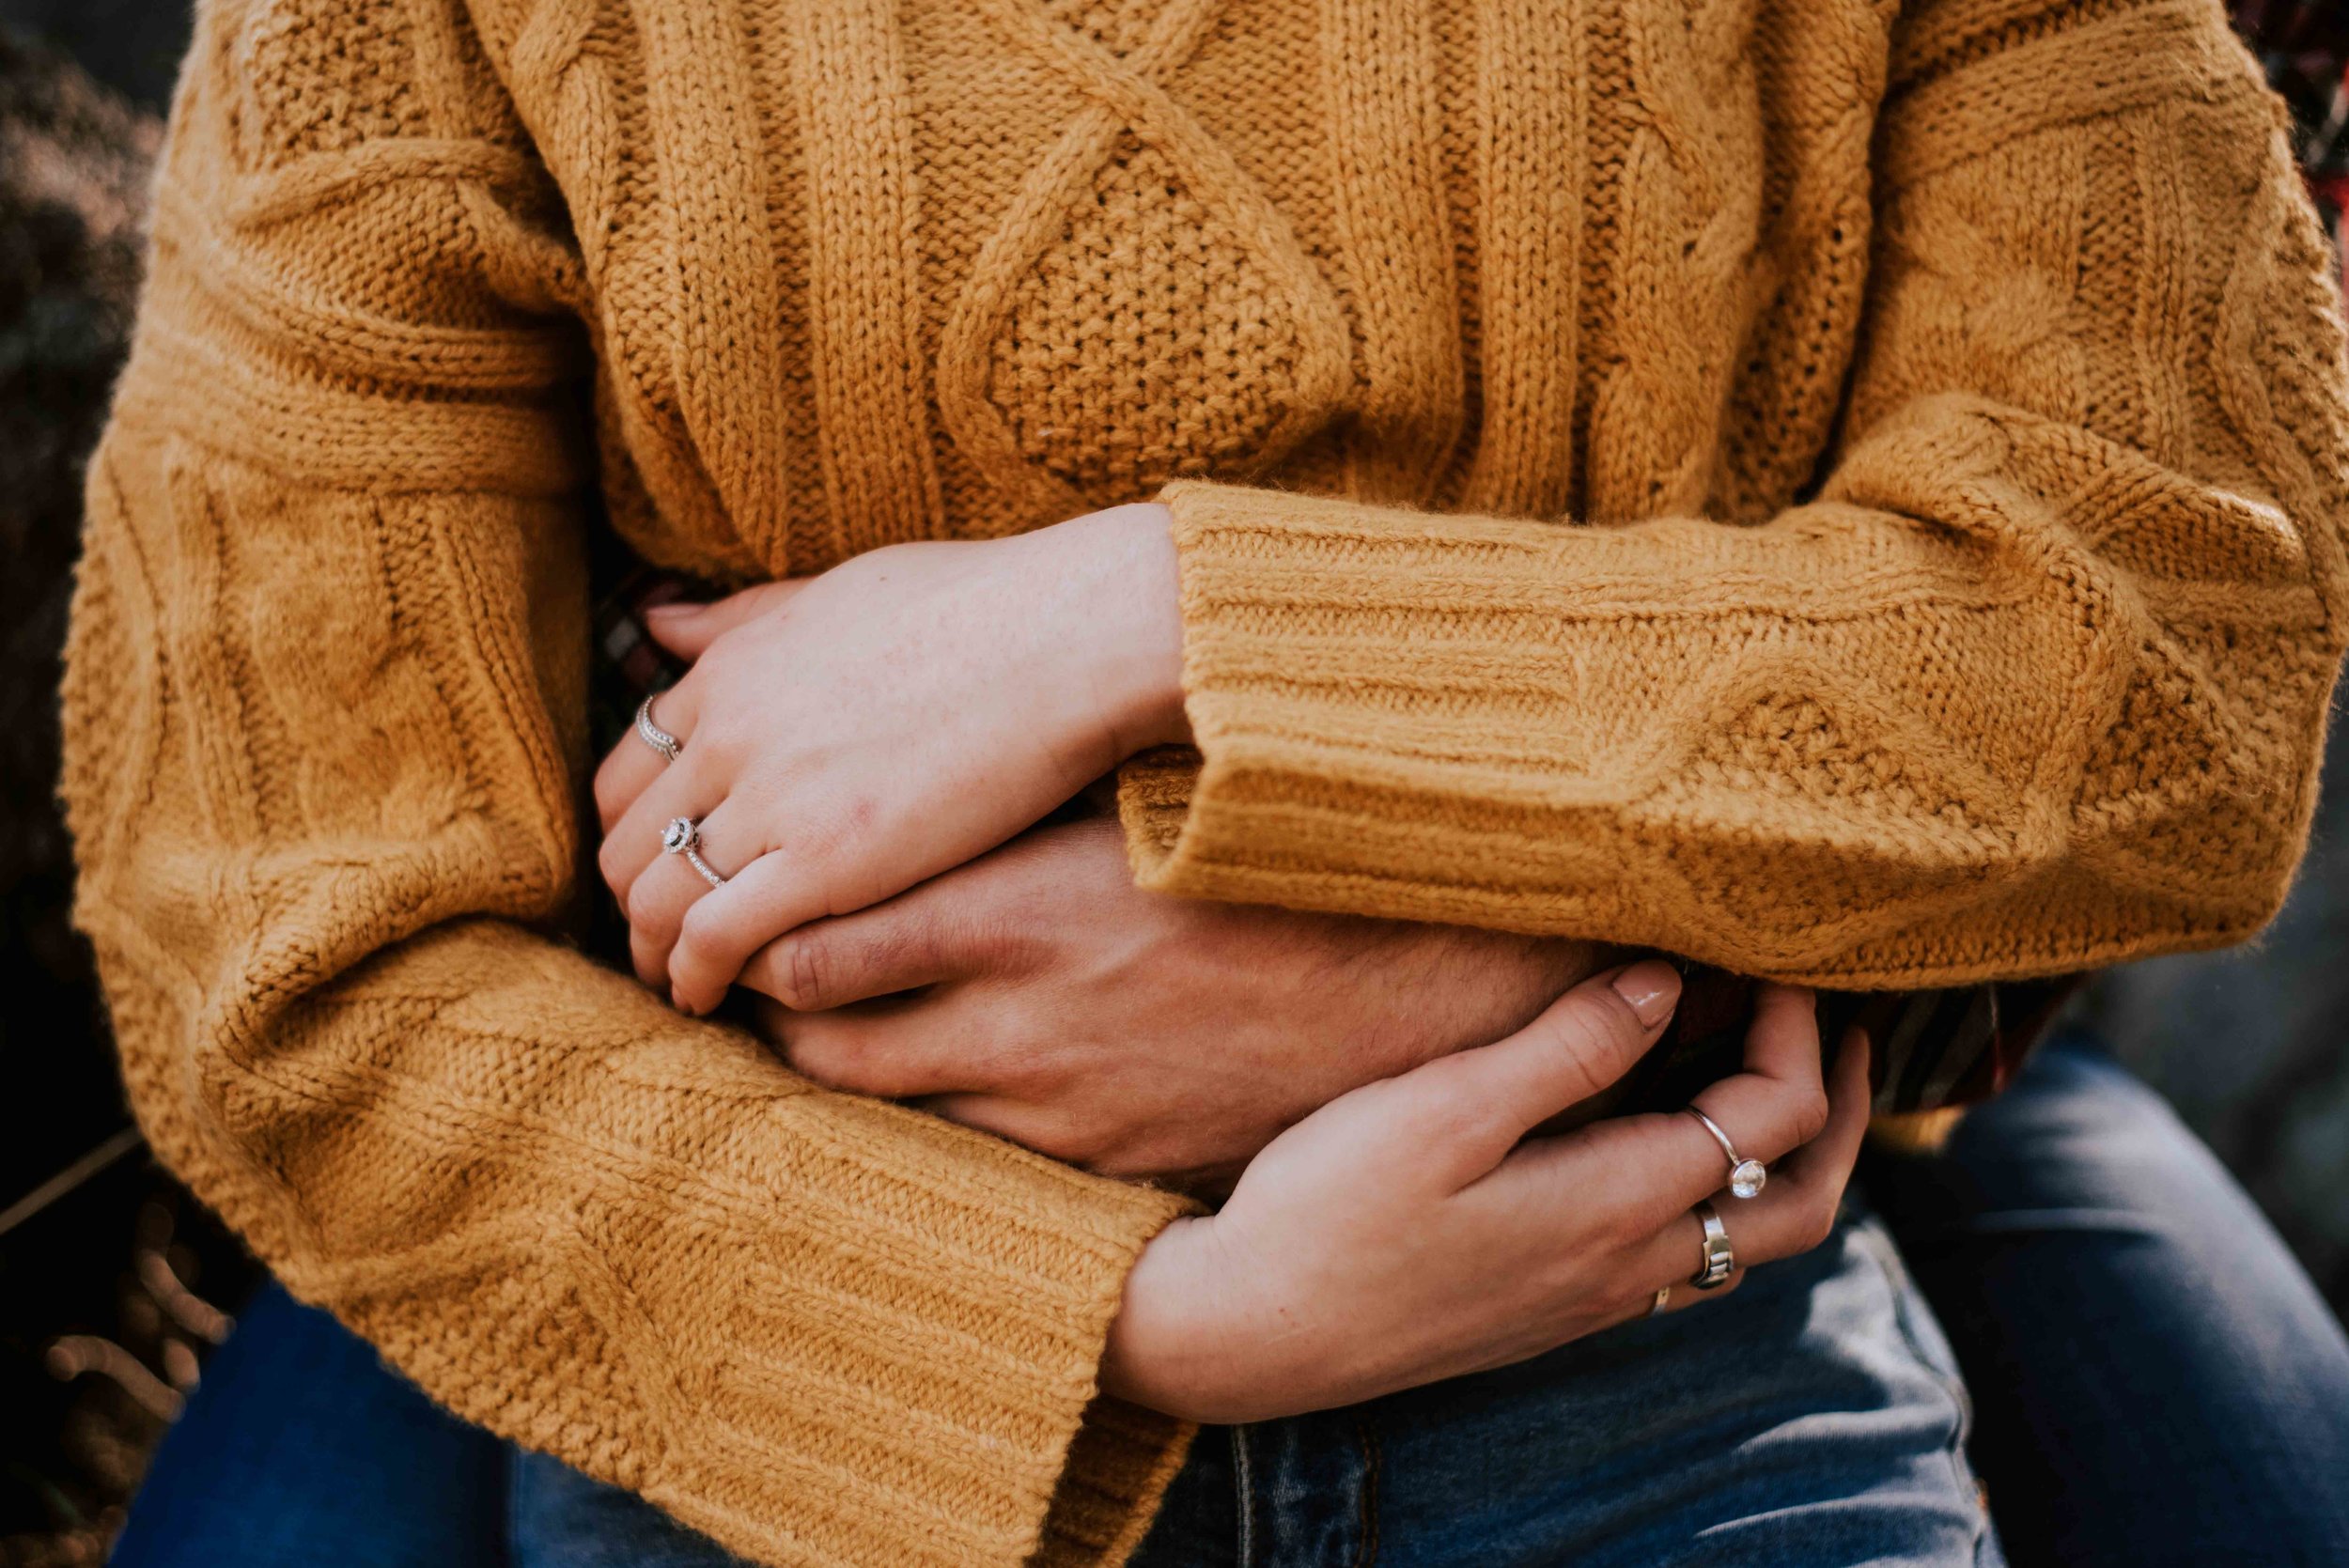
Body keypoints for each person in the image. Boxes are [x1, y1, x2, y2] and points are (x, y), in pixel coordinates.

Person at [61, 0, 2349, 1565]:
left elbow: (2160, 655)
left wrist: (1144, 622)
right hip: (830, 1352)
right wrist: (1149, 1327)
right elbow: (283, 945)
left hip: (1666, 1294)